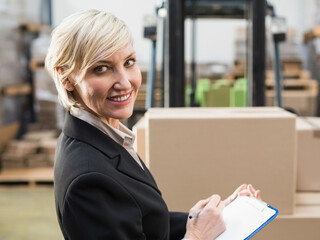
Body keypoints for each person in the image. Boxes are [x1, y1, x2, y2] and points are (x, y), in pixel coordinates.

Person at [45, 9, 261, 240]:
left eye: (129, 62)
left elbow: (141, 220)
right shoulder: (88, 181)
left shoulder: (105, 137)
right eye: (101, 68)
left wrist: (214, 217)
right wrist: (197, 236)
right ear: (66, 78)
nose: (125, 82)